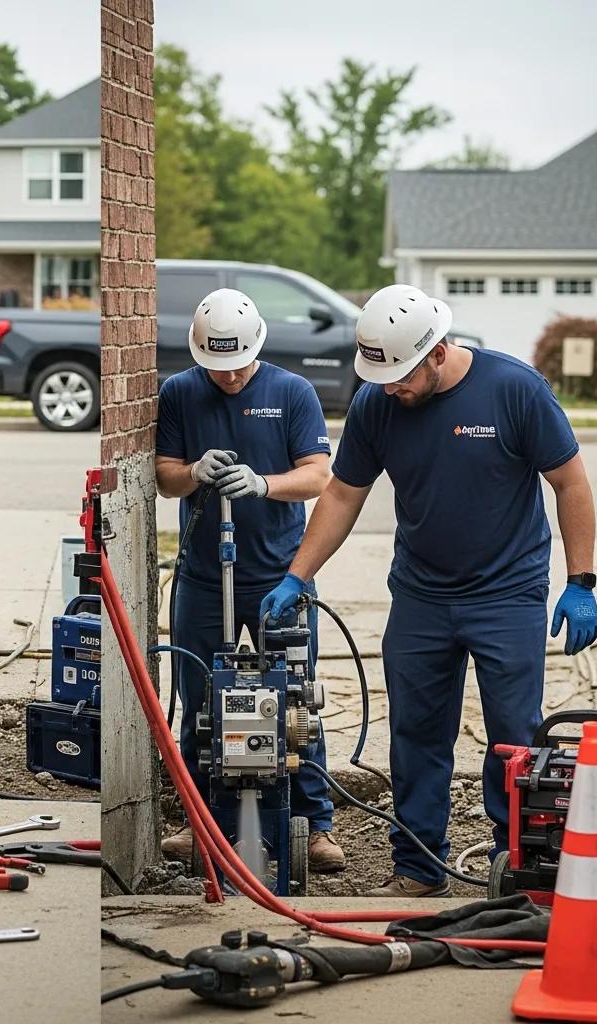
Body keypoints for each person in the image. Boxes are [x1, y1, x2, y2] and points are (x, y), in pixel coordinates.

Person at [263, 283, 597, 897]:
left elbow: (571, 484)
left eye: (402, 375)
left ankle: (519, 866)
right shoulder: (376, 404)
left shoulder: (515, 388)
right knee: (416, 734)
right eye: (382, 375)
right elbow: (342, 493)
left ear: (439, 351)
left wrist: (580, 581)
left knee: (514, 738)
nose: (392, 387)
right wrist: (297, 573)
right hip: (421, 597)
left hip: (507, 594)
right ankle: (418, 867)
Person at [154, 288, 345, 874]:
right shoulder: (181, 392)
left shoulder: (291, 392)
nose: (231, 375)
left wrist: (263, 484)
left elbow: (318, 476)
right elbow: (164, 478)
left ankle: (313, 825)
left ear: (256, 347)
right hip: (205, 578)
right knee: (201, 701)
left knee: (295, 698)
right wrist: (193, 472)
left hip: (277, 575)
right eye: (218, 365)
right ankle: (203, 823)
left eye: (239, 363)